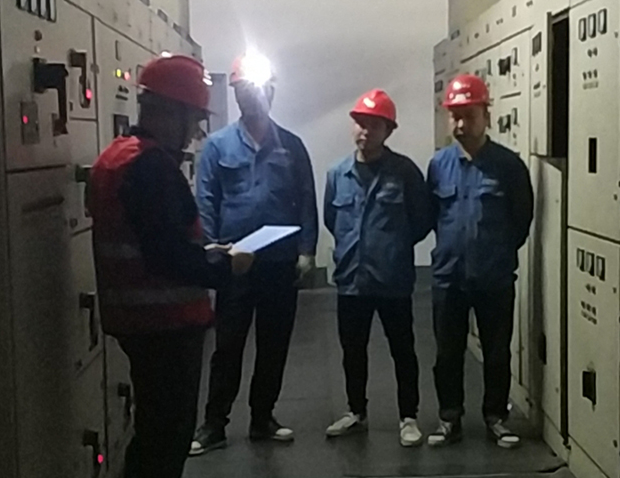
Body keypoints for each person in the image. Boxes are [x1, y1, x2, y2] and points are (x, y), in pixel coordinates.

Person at [88, 54, 254, 478]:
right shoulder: (152, 167)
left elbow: (154, 240)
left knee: (152, 439)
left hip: (138, 323)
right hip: (164, 326)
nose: (195, 133)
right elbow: (167, 257)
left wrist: (206, 252)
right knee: (166, 444)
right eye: (193, 119)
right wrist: (226, 266)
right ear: (169, 111)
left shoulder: (117, 157)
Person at [191, 52, 318, 454]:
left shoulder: (292, 146)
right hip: (236, 264)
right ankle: (214, 424)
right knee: (228, 346)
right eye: (245, 90)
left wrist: (307, 251)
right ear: (236, 94)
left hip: (280, 263)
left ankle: (263, 417)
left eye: (259, 89)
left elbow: (306, 200)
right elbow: (206, 201)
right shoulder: (217, 146)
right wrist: (214, 252)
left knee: (274, 344)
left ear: (272, 92)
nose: (253, 96)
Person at [426, 74, 534, 449]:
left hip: (494, 277)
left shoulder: (509, 166)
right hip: (449, 276)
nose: (460, 124)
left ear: (486, 116)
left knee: (497, 352)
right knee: (447, 354)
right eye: (454, 116)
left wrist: (496, 253)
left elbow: (521, 220)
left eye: (468, 115)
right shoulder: (438, 165)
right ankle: (449, 418)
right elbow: (431, 215)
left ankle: (496, 417)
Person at [323, 90, 431, 447]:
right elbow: (331, 219)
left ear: (388, 131)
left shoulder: (405, 172)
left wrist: (393, 247)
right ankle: (356, 412)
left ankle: (408, 416)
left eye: (373, 125)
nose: (365, 131)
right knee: (352, 350)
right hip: (352, 279)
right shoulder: (338, 174)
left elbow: (422, 220)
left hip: (392, 279)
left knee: (403, 349)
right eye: (360, 123)